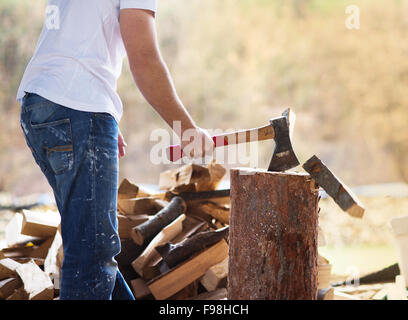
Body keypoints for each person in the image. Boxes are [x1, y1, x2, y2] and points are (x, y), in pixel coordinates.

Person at [17, 0, 214, 300]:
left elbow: (73, 38)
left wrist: (97, 114)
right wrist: (186, 128)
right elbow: (144, 58)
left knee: (90, 242)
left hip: (41, 105)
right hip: (78, 109)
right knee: (92, 251)